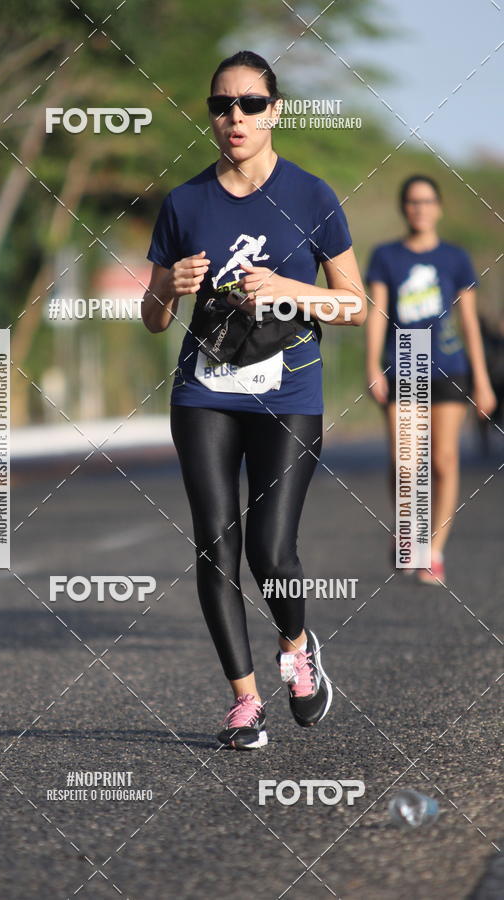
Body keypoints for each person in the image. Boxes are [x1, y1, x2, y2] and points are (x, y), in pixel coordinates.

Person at [142, 50, 366, 750]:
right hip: (204, 390)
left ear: (274, 112)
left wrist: (290, 290)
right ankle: (245, 702)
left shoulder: (312, 196)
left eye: (248, 104)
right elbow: (152, 317)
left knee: (272, 551)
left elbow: (355, 306)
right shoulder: (184, 203)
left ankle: (296, 648)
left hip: (289, 389)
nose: (233, 117)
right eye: (220, 105)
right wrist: (167, 288)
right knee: (216, 547)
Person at [365, 174, 496, 585]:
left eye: (427, 202)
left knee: (442, 460)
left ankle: (433, 550)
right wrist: (371, 365)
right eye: (412, 202)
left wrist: (483, 380)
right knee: (406, 465)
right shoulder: (386, 256)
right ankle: (409, 528)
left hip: (450, 365)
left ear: (438, 208)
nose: (420, 208)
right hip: (404, 362)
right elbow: (378, 313)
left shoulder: (455, 258)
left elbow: (469, 323)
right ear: (404, 208)